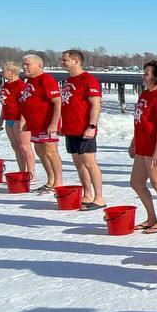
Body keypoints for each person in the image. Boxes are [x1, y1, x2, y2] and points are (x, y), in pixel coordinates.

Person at [130, 60, 157, 233]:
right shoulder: (144, 95)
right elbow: (139, 122)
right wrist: (133, 143)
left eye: (147, 73)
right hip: (142, 146)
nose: (144, 76)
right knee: (136, 182)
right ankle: (151, 217)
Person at [59, 49, 105, 209]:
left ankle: (99, 198)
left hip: (84, 128)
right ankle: (87, 194)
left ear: (76, 61)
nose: (62, 62)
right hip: (70, 128)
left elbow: (96, 105)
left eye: (65, 60)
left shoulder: (88, 80)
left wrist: (92, 126)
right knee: (78, 163)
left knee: (90, 163)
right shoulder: (69, 80)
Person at [18, 54, 63, 194]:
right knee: (40, 152)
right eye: (24, 64)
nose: (25, 67)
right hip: (34, 123)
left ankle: (58, 183)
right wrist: (25, 121)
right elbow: (28, 102)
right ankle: (50, 180)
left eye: (28, 64)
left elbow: (57, 102)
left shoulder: (46, 79)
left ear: (39, 65)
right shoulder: (29, 81)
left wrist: (54, 123)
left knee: (50, 152)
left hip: (47, 123)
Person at [0, 61, 34, 173]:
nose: (2, 73)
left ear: (11, 72)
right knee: (15, 146)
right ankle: (22, 171)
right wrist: (0, 121)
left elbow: (25, 105)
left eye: (3, 71)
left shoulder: (20, 85)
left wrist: (23, 121)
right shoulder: (6, 85)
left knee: (25, 147)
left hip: (19, 119)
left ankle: (31, 173)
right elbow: (5, 104)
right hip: (9, 119)